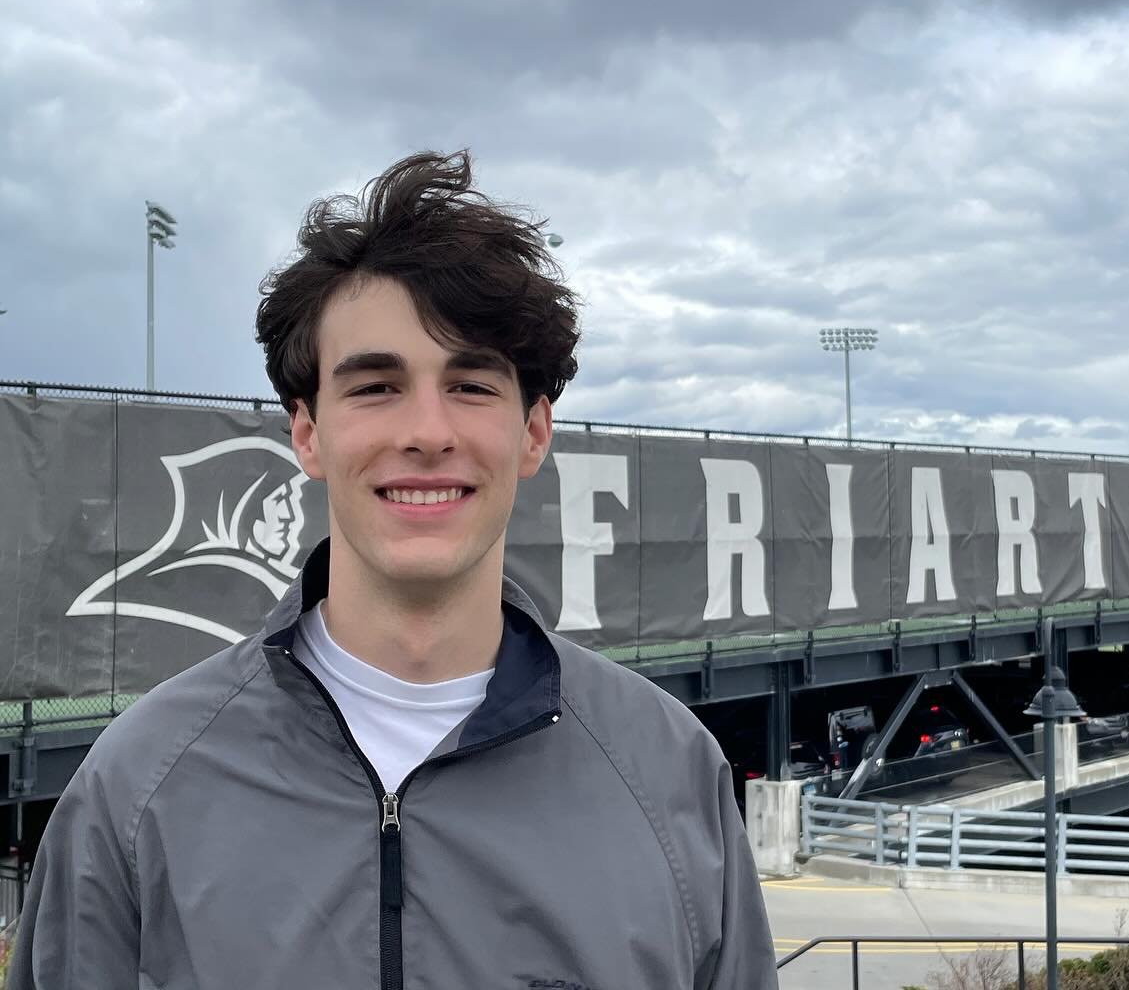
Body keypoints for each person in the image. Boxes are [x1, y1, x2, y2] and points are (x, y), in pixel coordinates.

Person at [8, 150, 779, 989]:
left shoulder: (670, 774)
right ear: (307, 433)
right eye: (376, 385)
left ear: (533, 432)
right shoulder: (135, 788)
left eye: (472, 385)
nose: (427, 430)